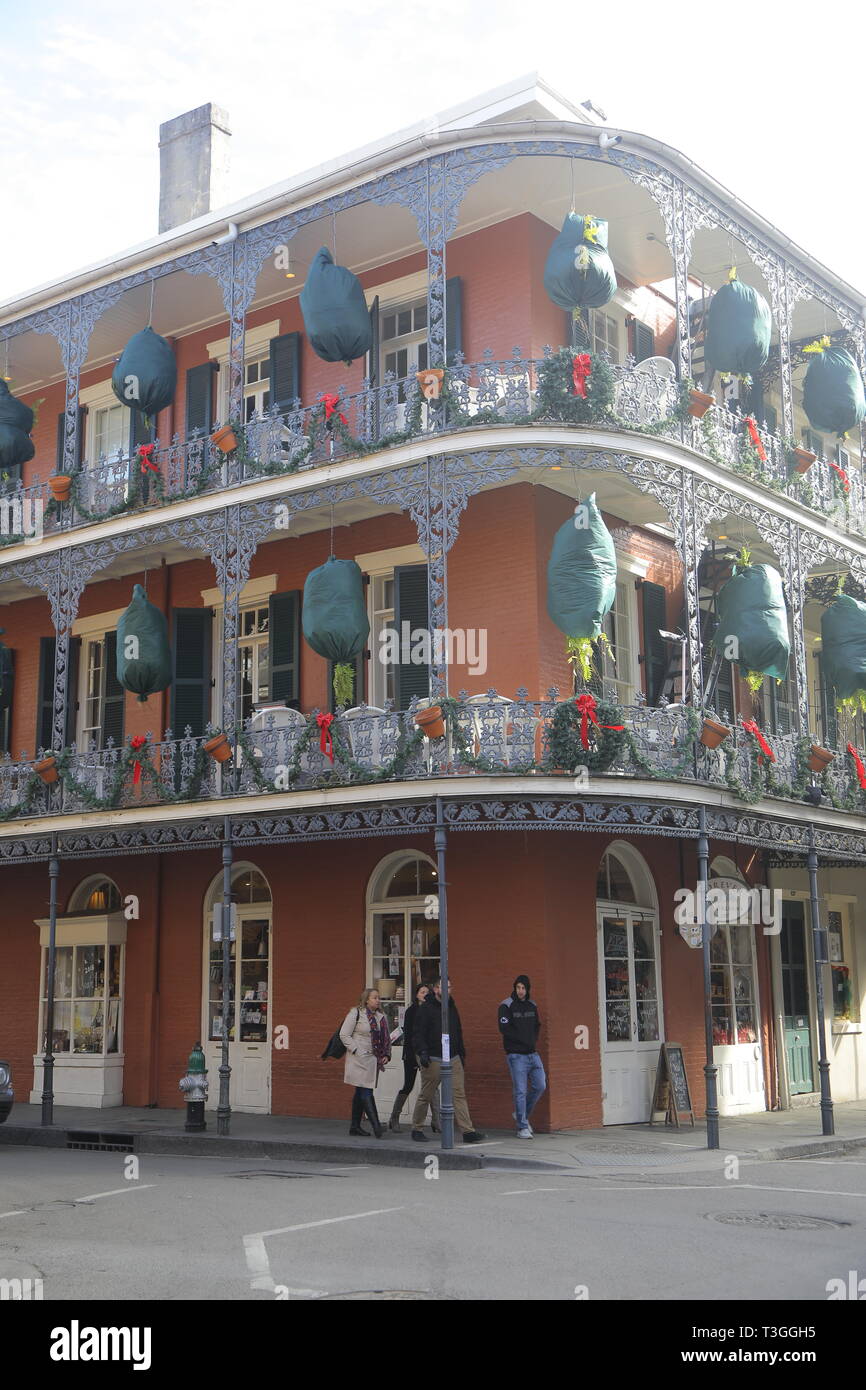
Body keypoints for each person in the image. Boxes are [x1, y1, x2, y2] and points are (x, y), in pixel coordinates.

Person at [411, 978, 485, 1144]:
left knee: (459, 1093)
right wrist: (423, 1052)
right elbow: (418, 1033)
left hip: (453, 1056)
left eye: (450, 987)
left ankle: (468, 1131)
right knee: (427, 1094)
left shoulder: (451, 1006)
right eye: (444, 987)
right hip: (434, 1057)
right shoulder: (426, 1009)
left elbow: (457, 1030)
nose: (448, 991)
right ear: (436, 989)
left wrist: (461, 1053)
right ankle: (417, 1127)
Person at [388, 983, 441, 1133]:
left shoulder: (432, 1010)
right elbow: (410, 1034)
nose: (425, 994)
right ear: (416, 995)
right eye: (421, 992)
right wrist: (410, 1054)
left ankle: (436, 1121)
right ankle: (394, 1118)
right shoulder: (412, 1011)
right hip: (412, 1053)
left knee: (432, 1086)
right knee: (408, 1085)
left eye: (427, 992)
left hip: (428, 1054)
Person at [340, 987, 391, 1138]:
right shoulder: (355, 1013)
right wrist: (356, 1050)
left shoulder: (381, 1016)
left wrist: (386, 1054)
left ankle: (354, 1127)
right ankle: (376, 1126)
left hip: (372, 1058)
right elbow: (344, 1035)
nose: (378, 1000)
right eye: (374, 997)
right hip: (358, 1058)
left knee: (360, 1091)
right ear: (366, 999)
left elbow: (386, 1038)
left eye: (378, 997)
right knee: (366, 1090)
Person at [498, 974, 545, 1138]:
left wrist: (532, 1040)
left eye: (523, 988)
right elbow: (504, 1029)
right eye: (518, 987)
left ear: (527, 989)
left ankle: (521, 1114)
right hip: (516, 1055)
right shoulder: (506, 1005)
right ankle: (522, 1127)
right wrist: (522, 1041)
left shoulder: (532, 1005)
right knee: (520, 1091)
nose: (520, 991)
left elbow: (537, 1025)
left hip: (533, 1054)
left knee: (540, 1085)